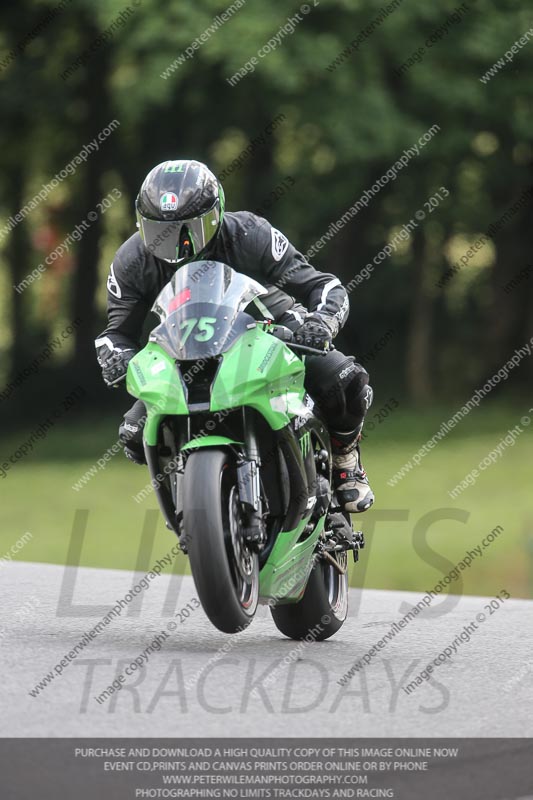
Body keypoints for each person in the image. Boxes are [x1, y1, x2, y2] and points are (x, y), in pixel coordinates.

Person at [95, 159, 374, 513]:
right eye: (159, 231)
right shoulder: (131, 259)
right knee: (135, 433)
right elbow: (116, 333)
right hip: (182, 350)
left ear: (215, 216)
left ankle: (345, 459)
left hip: (270, 329)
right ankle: (192, 503)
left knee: (345, 381)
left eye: (189, 230)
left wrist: (321, 322)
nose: (176, 244)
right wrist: (114, 355)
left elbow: (323, 286)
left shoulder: (249, 233)